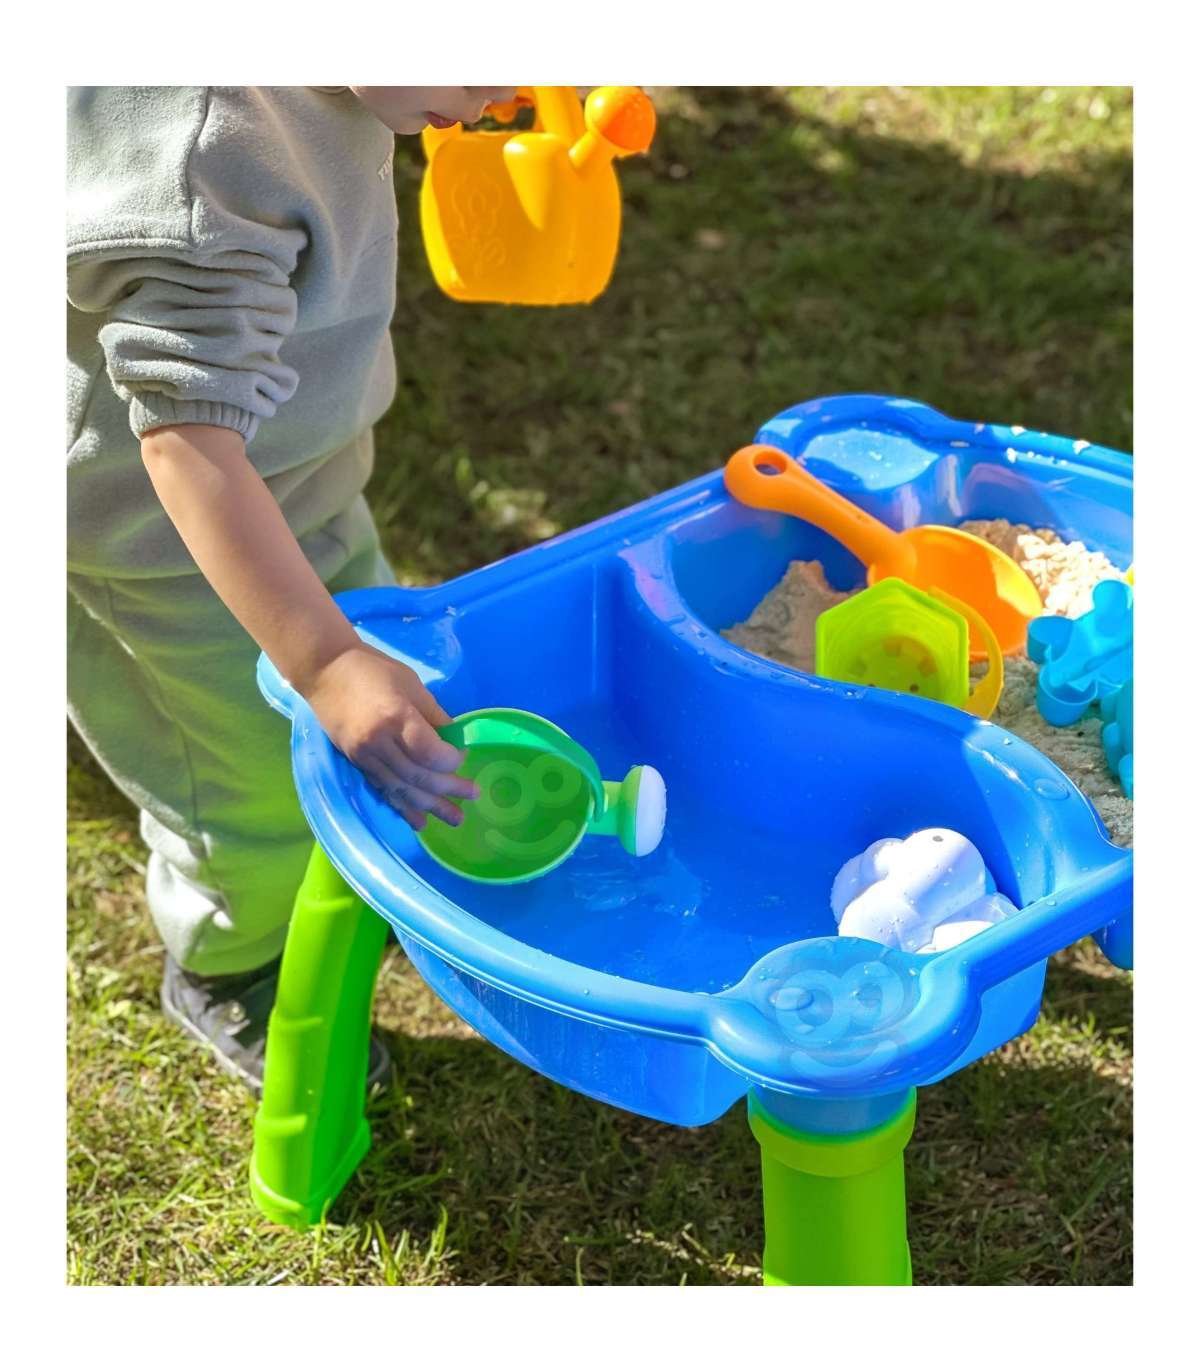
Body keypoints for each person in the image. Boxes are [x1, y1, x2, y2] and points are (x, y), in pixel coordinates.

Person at [67, 86, 515, 1090]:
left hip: (296, 485)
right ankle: (229, 962)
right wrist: (323, 661)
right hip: (162, 544)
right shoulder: (209, 160)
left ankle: (341, 869)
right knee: (250, 785)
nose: (507, 93)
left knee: (381, 702)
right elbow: (185, 442)